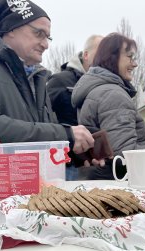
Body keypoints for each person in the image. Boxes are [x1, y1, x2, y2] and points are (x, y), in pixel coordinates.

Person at [0, 0, 95, 158]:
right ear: (11, 28)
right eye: (39, 33)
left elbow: (37, 136)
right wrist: (65, 136)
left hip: (28, 180)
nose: (45, 45)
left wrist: (75, 154)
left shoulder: (36, 77)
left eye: (47, 38)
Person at [72, 33, 145, 180]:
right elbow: (123, 155)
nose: (134, 64)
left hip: (99, 181)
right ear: (112, 57)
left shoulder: (98, 90)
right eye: (130, 57)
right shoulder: (112, 94)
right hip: (116, 186)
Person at [46, 35, 103, 180]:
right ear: (86, 55)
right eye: (100, 53)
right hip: (66, 164)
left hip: (94, 161)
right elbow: (44, 118)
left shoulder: (102, 85)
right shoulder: (59, 81)